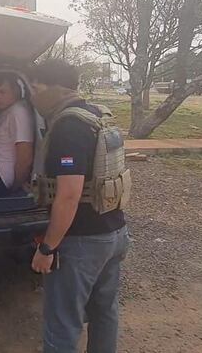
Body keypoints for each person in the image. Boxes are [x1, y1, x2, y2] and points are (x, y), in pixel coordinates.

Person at [28, 58, 130, 353]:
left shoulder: (68, 127)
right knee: (104, 312)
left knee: (62, 324)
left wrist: (47, 248)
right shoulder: (96, 114)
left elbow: (69, 195)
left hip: (83, 241)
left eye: (36, 89)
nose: (33, 97)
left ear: (56, 89)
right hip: (113, 231)